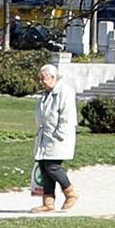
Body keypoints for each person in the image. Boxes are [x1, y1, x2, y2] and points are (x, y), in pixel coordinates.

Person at [31, 60, 87, 211]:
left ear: (53, 77)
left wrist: (58, 135)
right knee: (44, 166)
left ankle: (70, 193)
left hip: (57, 138)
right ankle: (48, 203)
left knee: (52, 167)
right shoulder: (45, 95)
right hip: (45, 137)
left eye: (43, 77)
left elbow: (67, 118)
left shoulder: (65, 92)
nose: (41, 81)